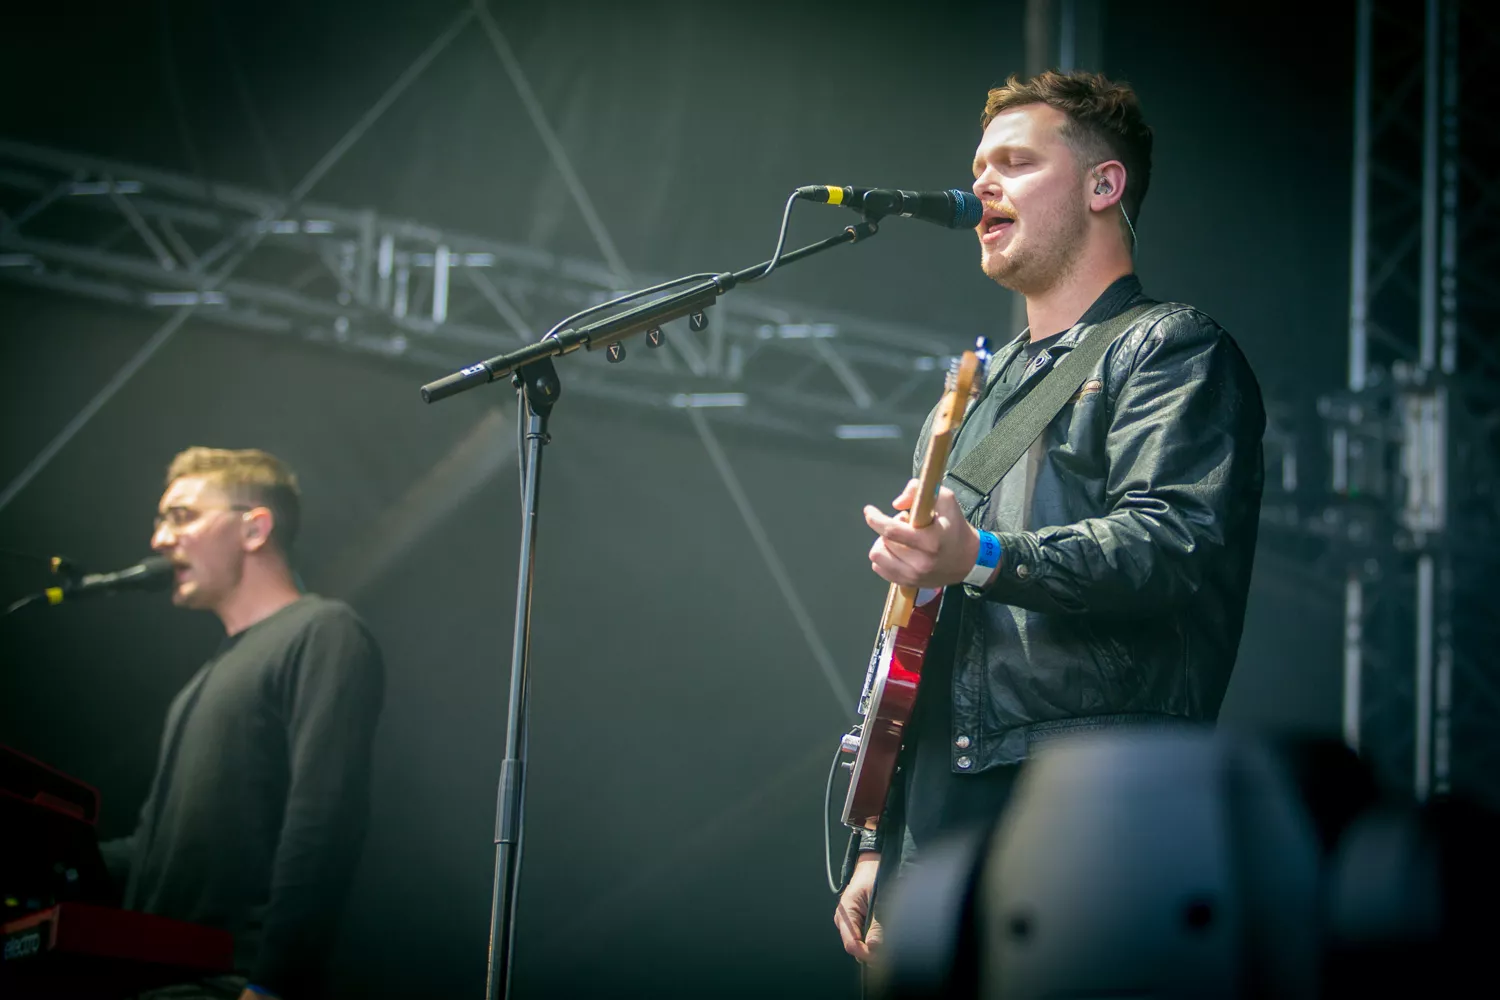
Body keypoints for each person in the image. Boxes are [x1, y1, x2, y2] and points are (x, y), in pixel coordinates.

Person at [834, 70, 1265, 964]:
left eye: (1017, 163)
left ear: (1104, 185)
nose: (982, 185)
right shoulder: (972, 393)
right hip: (940, 812)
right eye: (978, 168)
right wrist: (880, 834)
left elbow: (1171, 544)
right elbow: (914, 635)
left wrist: (982, 554)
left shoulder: (1170, 348)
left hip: (1085, 795)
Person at [99, 447, 385, 999]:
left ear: (255, 529)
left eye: (181, 516)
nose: (160, 539)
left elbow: (324, 819)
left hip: (228, 983)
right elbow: (155, 850)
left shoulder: (322, 631)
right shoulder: (196, 687)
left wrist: (275, 983)